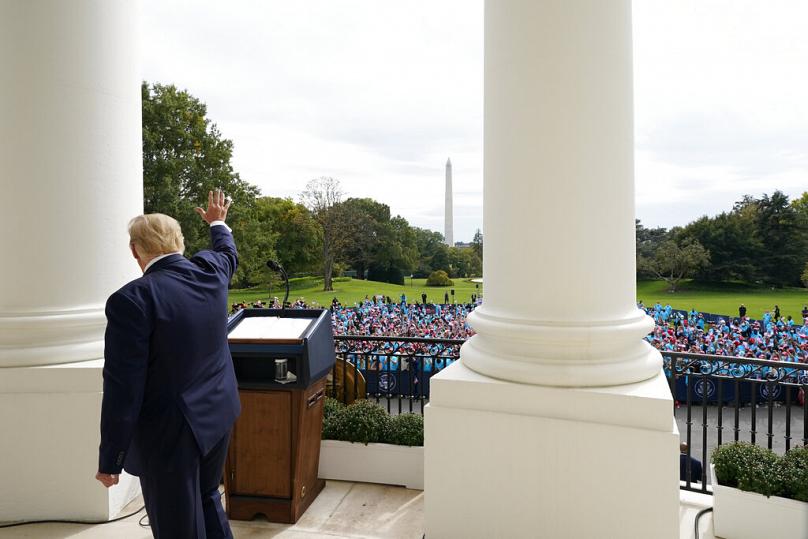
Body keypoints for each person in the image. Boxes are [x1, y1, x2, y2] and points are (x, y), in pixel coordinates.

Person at [97, 190, 239, 538]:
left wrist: (111, 458)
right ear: (181, 242)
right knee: (208, 499)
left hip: (170, 433)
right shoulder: (212, 272)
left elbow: (123, 387)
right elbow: (227, 251)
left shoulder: (132, 300)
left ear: (135, 251)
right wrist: (217, 221)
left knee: (177, 524)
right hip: (217, 416)